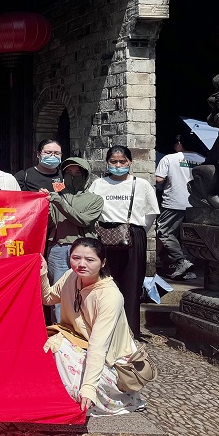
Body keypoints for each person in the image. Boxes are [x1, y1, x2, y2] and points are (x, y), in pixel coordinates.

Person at [41, 237, 147, 416]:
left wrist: (89, 387)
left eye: (90, 260)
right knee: (49, 342)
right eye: (76, 258)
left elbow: (98, 346)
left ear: (103, 262)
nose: (81, 264)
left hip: (111, 361)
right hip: (80, 344)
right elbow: (48, 298)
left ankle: (110, 397)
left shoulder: (110, 296)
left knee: (58, 346)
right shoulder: (71, 276)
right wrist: (42, 273)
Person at [88, 145, 159, 340]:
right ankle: (106, 331)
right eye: (113, 161)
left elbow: (151, 212)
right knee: (106, 284)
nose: (118, 165)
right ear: (107, 163)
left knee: (132, 284)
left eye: (122, 161)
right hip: (105, 235)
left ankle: (130, 332)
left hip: (133, 235)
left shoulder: (141, 184)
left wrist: (136, 233)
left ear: (130, 162)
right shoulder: (98, 184)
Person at [44, 157, 104, 323]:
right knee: (58, 293)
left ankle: (86, 328)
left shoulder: (95, 199)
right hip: (58, 248)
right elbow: (50, 223)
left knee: (86, 290)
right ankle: (60, 331)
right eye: (68, 172)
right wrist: (44, 204)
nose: (72, 176)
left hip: (84, 250)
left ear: (85, 175)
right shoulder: (57, 195)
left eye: (77, 173)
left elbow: (84, 220)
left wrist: (60, 204)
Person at [154, 133, 205, 280]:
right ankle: (188, 270)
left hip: (174, 203)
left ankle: (181, 262)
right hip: (197, 205)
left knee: (165, 232)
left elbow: (159, 179)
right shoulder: (203, 160)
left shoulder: (169, 158)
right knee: (189, 236)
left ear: (179, 144)